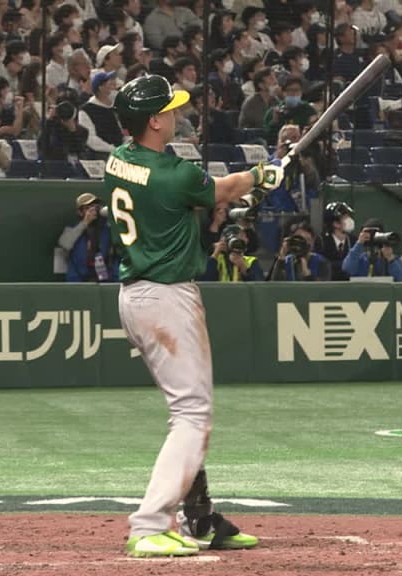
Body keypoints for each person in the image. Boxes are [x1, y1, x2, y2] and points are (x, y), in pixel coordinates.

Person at [107, 73, 281, 557]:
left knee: (185, 411)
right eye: (172, 109)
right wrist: (261, 176)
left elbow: (200, 202)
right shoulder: (173, 172)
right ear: (155, 121)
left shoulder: (119, 160)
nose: (179, 114)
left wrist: (234, 193)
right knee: (192, 414)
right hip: (165, 297)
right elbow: (221, 189)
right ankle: (149, 525)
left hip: (138, 295)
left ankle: (200, 517)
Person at [57, 193, 119, 282]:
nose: (92, 211)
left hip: (106, 278)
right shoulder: (73, 228)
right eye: (88, 208)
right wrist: (85, 222)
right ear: (80, 212)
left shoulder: (107, 229)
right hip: (78, 278)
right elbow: (64, 244)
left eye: (95, 207)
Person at [321, 201, 356, 281]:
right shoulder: (322, 242)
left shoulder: (354, 241)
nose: (349, 220)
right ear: (335, 223)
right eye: (345, 217)